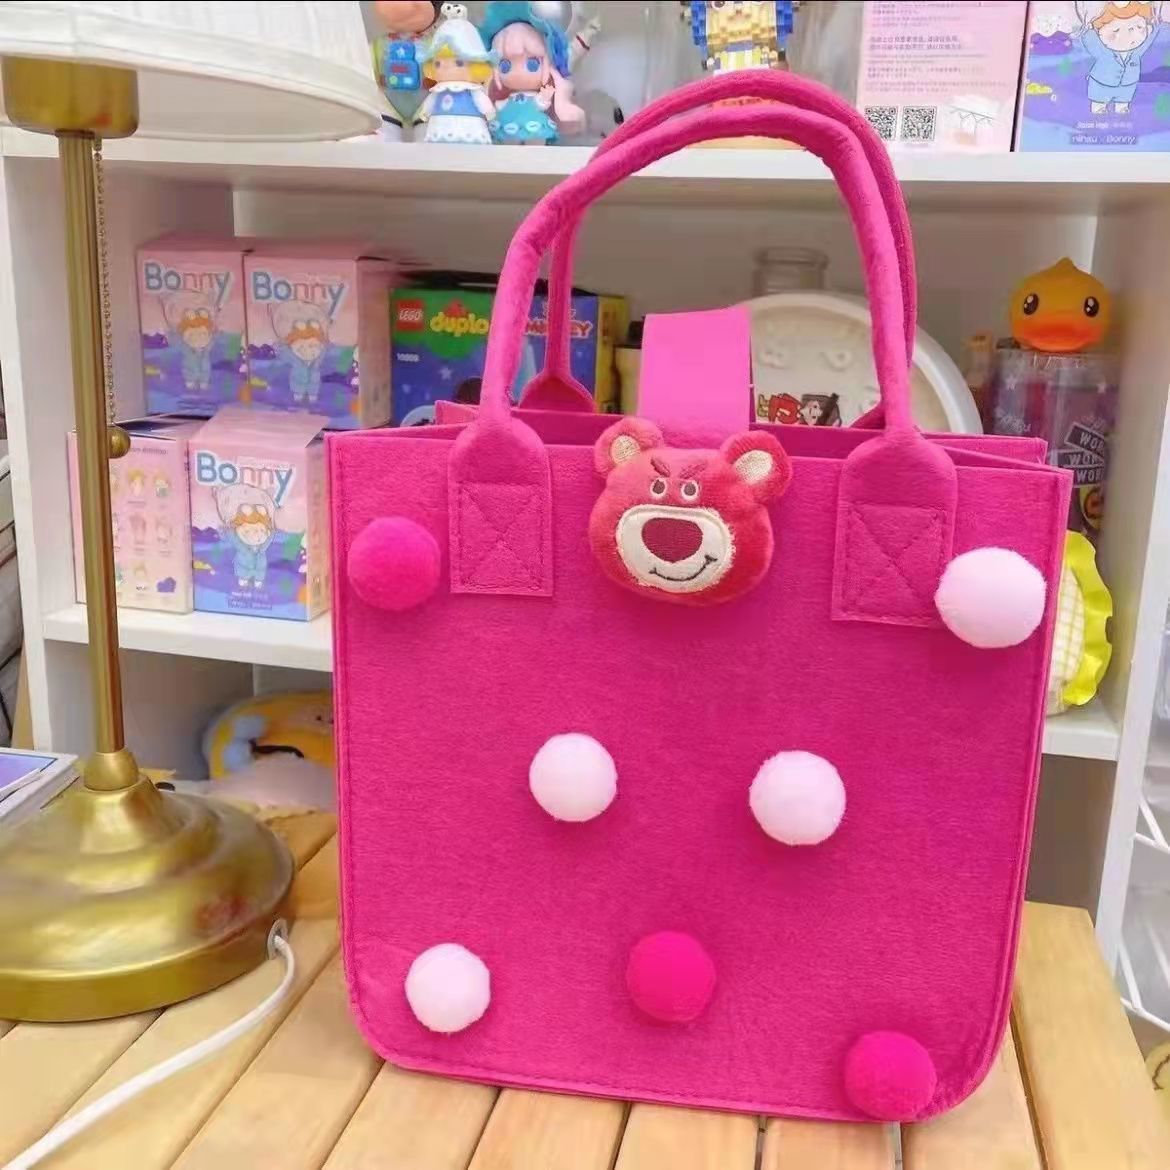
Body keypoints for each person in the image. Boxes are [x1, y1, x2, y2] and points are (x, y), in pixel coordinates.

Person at [1081, 1, 1160, 114]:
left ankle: (1122, 107)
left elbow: (1149, 40)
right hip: (1102, 83)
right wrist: (1087, 29)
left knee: (1123, 101)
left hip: (1128, 84)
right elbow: (1088, 39)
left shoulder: (1137, 52)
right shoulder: (1102, 51)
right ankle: (1099, 107)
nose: (1130, 36)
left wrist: (1154, 28)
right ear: (1098, 31)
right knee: (1099, 101)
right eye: (1116, 30)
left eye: (1139, 27)